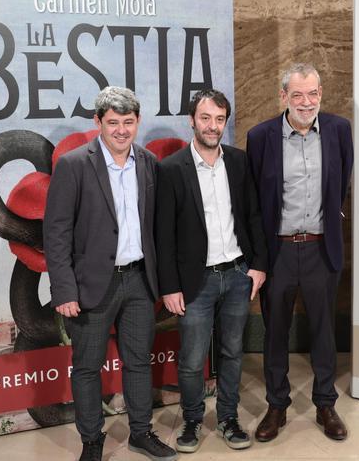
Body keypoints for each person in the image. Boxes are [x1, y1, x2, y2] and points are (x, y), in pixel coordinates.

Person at [44, 87, 177, 461]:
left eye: (128, 122)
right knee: (87, 367)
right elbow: (56, 232)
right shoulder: (73, 165)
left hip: (138, 280)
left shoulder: (149, 162)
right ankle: (91, 441)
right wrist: (64, 289)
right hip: (91, 285)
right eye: (113, 122)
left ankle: (140, 433)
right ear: (98, 122)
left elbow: (157, 228)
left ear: (138, 122)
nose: (121, 130)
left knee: (138, 361)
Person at [155, 89, 267, 453]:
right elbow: (164, 235)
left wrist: (259, 266)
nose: (213, 126)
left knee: (233, 352)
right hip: (195, 282)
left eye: (220, 119)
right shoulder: (171, 169)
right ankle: (190, 420)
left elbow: (252, 216)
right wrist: (169, 287)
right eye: (206, 118)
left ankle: (228, 419)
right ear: (192, 120)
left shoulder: (238, 161)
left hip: (237, 273)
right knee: (191, 358)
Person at [246, 63, 353, 442]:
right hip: (279, 251)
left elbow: (342, 184)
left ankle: (326, 403)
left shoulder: (339, 130)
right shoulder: (260, 137)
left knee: (324, 330)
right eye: (297, 95)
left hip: (322, 248)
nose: (306, 102)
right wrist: (259, 258)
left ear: (321, 94)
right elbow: (255, 202)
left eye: (312, 94)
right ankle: (277, 405)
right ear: (283, 97)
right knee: (275, 331)